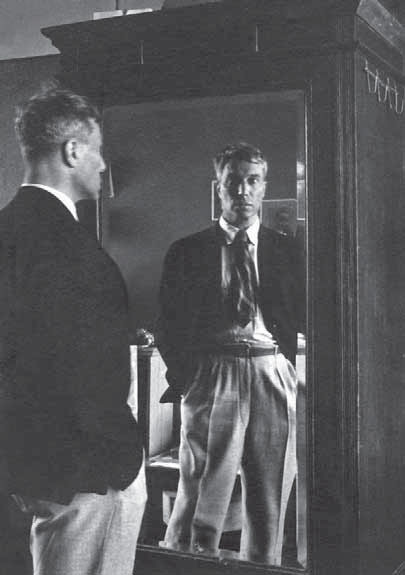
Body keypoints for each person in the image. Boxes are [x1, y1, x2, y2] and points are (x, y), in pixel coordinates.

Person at [0, 86, 147, 575]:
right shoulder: (74, 248)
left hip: (35, 467)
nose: (103, 165)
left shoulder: (6, 231)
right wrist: (119, 461)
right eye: (98, 150)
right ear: (73, 151)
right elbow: (84, 372)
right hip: (90, 475)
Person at [156, 142, 302, 565]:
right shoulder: (187, 251)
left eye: (252, 181)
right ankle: (185, 567)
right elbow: (168, 325)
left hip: (270, 368)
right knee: (201, 493)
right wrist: (191, 379)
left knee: (268, 497)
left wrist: (286, 366)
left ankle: (262, 566)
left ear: (263, 187)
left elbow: (304, 313)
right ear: (218, 188)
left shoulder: (287, 250)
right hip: (213, 371)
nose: (243, 191)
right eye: (233, 181)